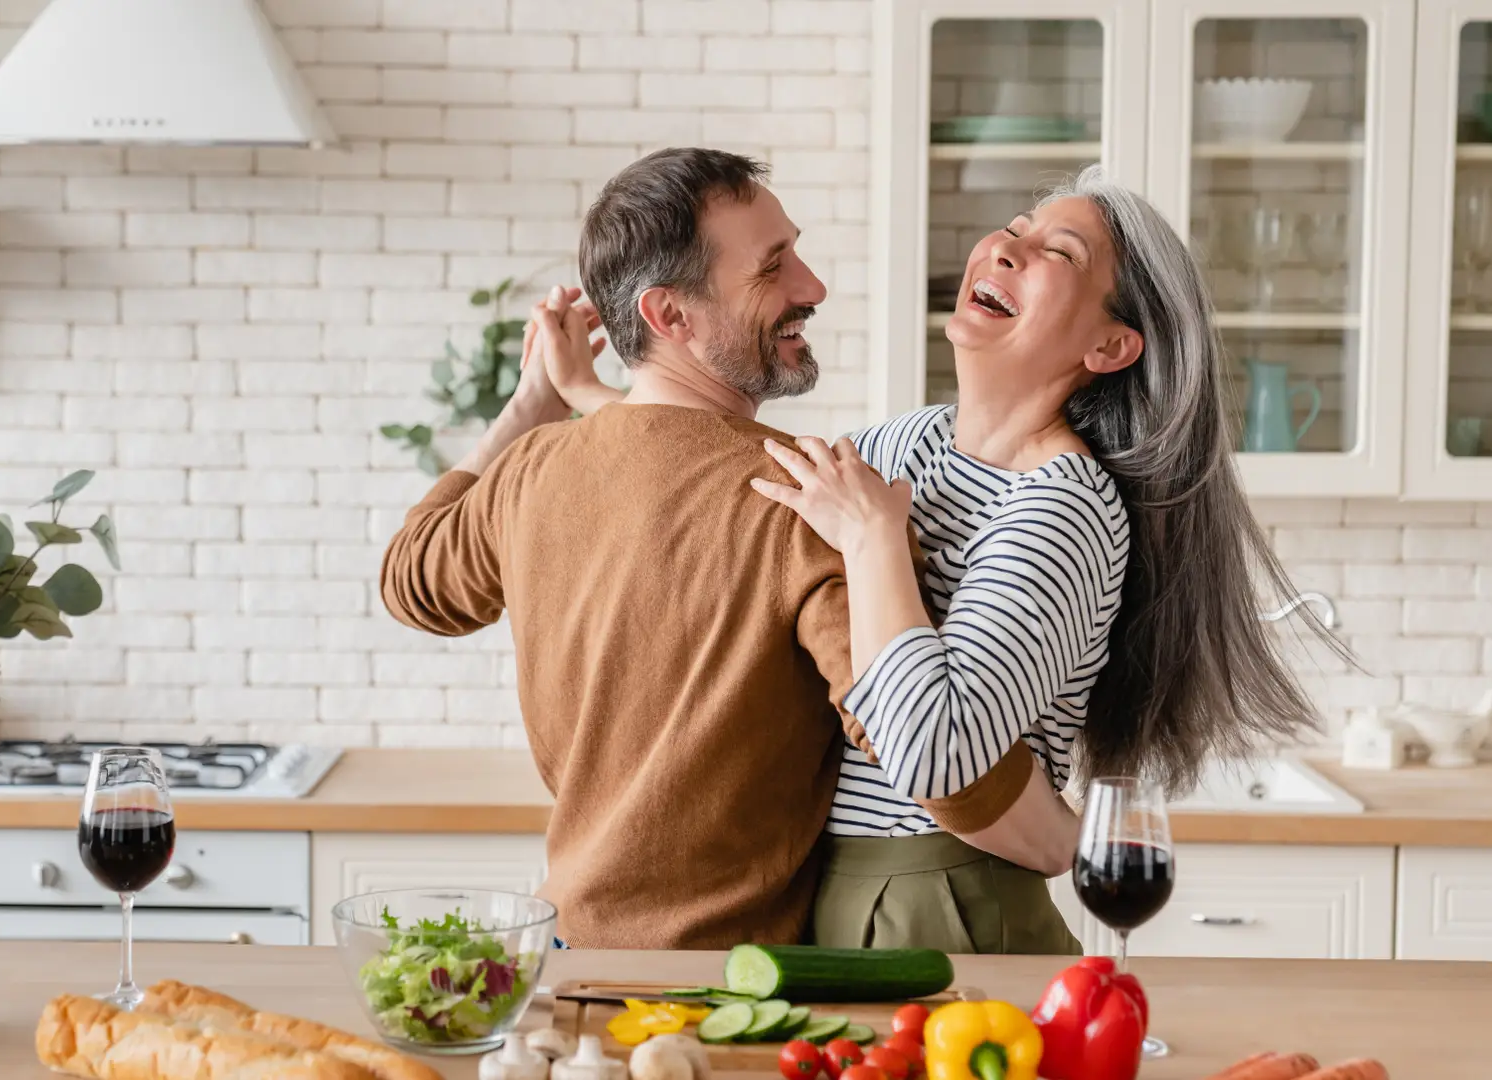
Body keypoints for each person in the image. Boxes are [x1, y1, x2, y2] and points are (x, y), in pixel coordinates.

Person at [540, 165, 1337, 953]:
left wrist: (876, 542)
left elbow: (938, 753)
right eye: (1015, 229)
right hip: (829, 893)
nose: (1004, 248)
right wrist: (589, 394)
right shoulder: (907, 442)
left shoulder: (1063, 507)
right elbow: (737, 481)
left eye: (1058, 253)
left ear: (1109, 344)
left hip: (946, 900)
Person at [378, 148, 1076, 950]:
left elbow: (411, 581)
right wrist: (1068, 838)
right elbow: (932, 755)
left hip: (566, 958)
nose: (812, 287)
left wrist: (529, 406)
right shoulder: (802, 502)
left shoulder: (532, 470)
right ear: (670, 316)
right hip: (720, 989)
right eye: (773, 269)